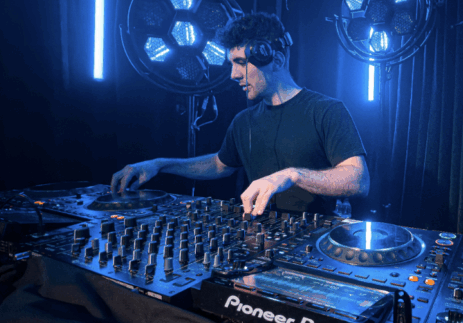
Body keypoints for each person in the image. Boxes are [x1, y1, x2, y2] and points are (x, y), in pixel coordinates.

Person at [111, 12, 369, 216]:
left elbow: (358, 180)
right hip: (258, 240)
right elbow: (219, 165)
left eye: (241, 63)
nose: (233, 75)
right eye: (232, 64)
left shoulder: (326, 110)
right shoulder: (243, 121)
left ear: (276, 60)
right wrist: (159, 164)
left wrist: (292, 175)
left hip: (315, 244)